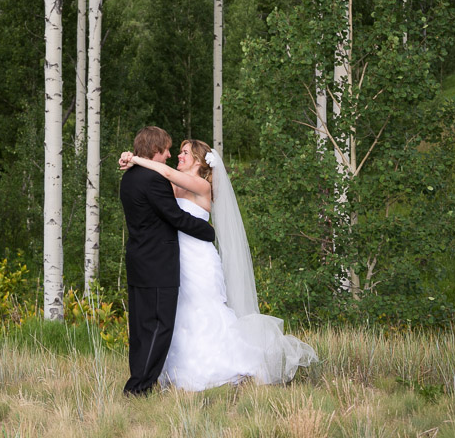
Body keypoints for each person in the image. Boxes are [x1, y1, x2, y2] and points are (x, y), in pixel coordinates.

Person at [119, 139, 317, 391]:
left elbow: (165, 170)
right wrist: (129, 158)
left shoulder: (200, 185)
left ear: (200, 163)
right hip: (174, 258)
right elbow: (157, 181)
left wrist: (135, 159)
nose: (178, 156)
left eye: (185, 153)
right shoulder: (170, 183)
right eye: (179, 151)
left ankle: (218, 366)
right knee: (179, 314)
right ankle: (177, 371)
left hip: (199, 258)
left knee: (204, 310)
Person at [119, 126, 217, 396]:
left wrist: (132, 159)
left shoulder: (129, 178)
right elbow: (175, 216)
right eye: (168, 150)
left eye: (182, 152)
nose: (172, 155)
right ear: (155, 151)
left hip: (143, 259)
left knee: (141, 328)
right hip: (158, 264)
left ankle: (143, 381)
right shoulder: (155, 179)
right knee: (159, 326)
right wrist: (208, 232)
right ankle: (138, 388)